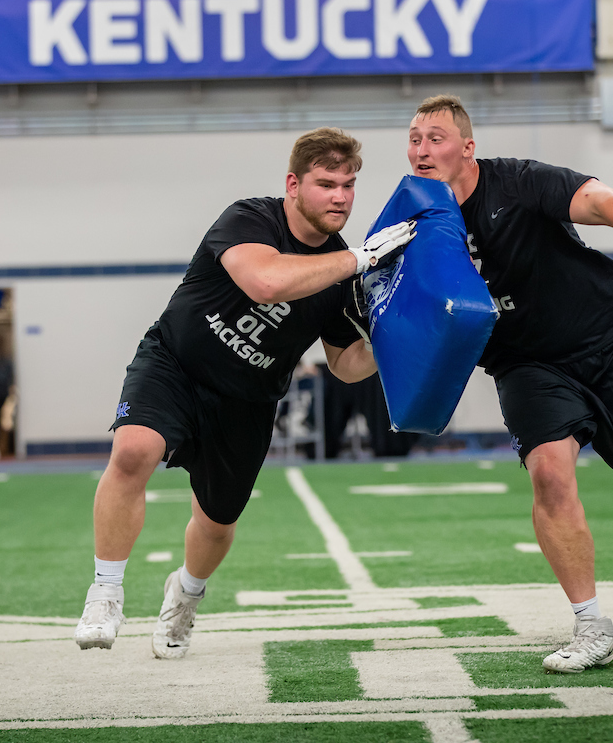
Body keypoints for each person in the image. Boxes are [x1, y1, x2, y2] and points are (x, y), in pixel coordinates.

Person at [406, 94, 613, 673]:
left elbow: (598, 199)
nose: (421, 148)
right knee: (548, 473)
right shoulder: (411, 218)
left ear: (467, 149)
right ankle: (591, 625)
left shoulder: (518, 182)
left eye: (435, 137)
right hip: (526, 363)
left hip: (607, 340)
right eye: (414, 138)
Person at [74, 127, 416, 658]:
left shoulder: (345, 267)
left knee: (215, 524)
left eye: (349, 185)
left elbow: (346, 365)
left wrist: (403, 340)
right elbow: (267, 282)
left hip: (249, 401)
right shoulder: (251, 218)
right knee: (134, 449)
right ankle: (105, 590)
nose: (341, 197)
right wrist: (360, 260)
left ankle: (185, 593)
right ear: (293, 184)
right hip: (176, 363)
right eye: (326, 183)